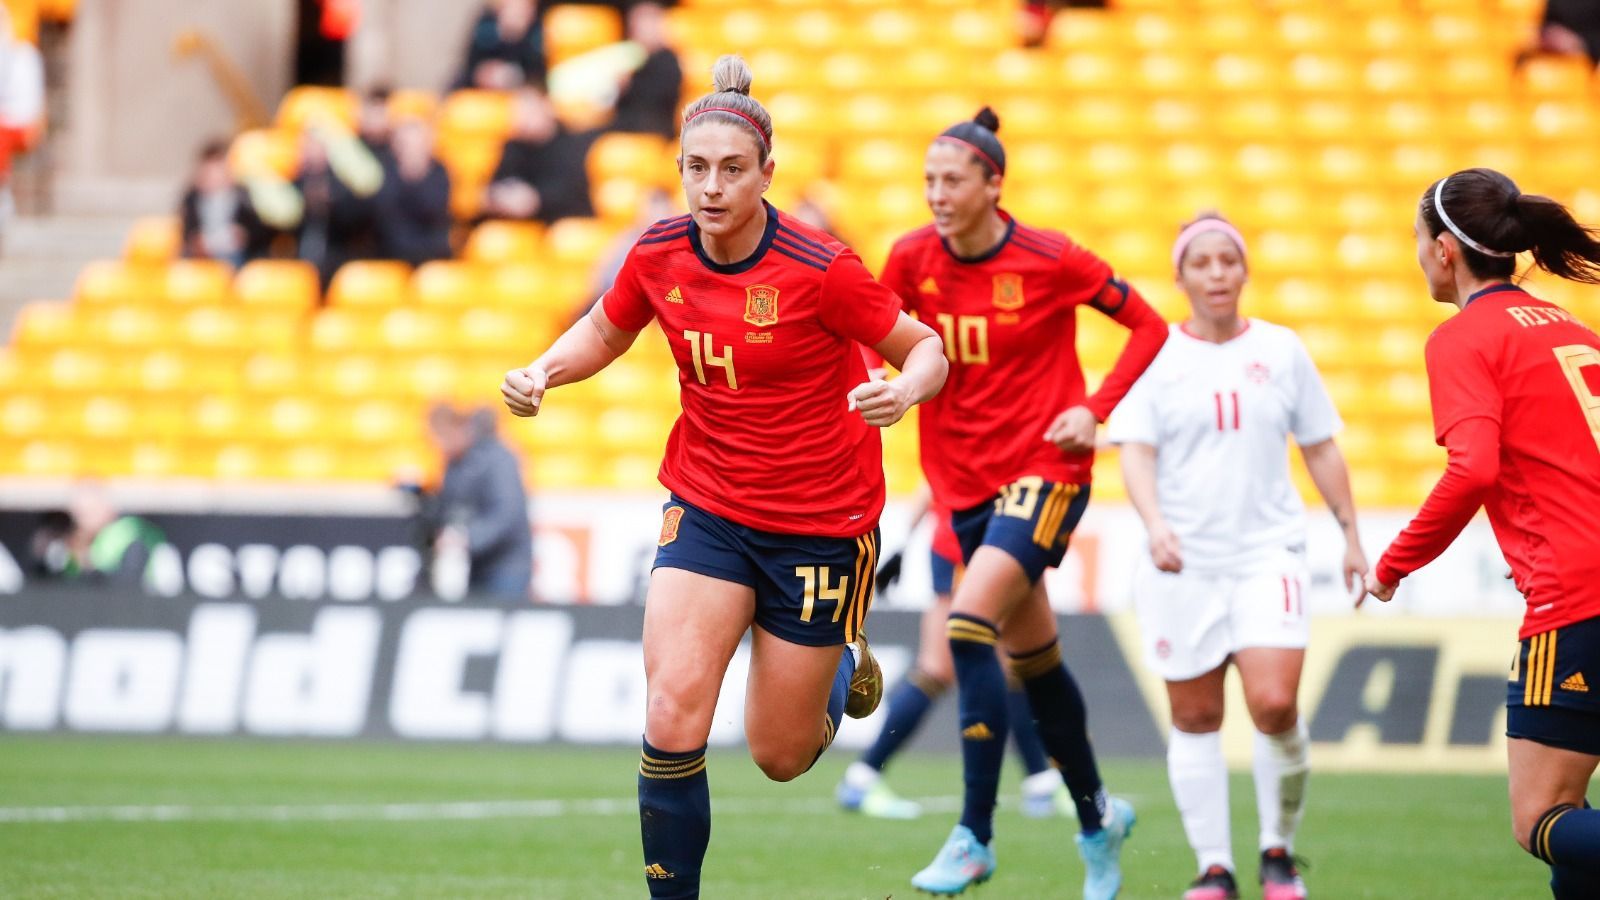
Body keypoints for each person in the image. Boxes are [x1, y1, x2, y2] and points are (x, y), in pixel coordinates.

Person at [500, 55, 948, 899]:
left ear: (766, 174)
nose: (711, 186)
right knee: (671, 709)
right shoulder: (659, 252)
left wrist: (902, 391)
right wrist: (542, 372)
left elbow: (926, 347)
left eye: (731, 169)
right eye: (696, 168)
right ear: (679, 171)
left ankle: (838, 658)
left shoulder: (822, 268)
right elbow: (603, 329)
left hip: (820, 523)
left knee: (779, 756)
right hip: (706, 508)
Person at [880, 107, 1168, 898]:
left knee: (968, 628)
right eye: (928, 180)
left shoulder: (1051, 257)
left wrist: (1097, 406)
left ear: (993, 185)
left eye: (952, 180)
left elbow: (1147, 327)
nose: (936, 194)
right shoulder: (909, 259)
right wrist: (888, 380)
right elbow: (873, 331)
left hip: (1046, 470)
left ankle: (974, 834)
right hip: (961, 488)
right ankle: (1097, 817)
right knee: (1036, 663)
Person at [1108, 213, 1368, 900]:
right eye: (1203, 263)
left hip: (1266, 554)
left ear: (1245, 271)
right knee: (1195, 718)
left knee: (1275, 704)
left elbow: (1319, 444)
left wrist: (1350, 533)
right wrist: (1156, 523)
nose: (1218, 274)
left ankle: (1277, 850)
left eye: (1229, 261)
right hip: (1181, 562)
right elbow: (1134, 449)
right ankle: (1214, 867)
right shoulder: (1155, 353)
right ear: (1181, 276)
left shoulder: (1282, 350)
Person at [1365, 168, 1600, 899]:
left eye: (1415, 240)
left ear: (1443, 252)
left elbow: (1471, 470)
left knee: (1542, 817)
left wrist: (1393, 564)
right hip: (1578, 571)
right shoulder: (1574, 329)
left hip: (1578, 599)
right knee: (1576, 839)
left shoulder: (1465, 338)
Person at [836, 492, 1073, 821]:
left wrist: (903, 544)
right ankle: (863, 777)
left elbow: (931, 481)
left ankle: (1041, 782)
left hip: (974, 536)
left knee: (1006, 666)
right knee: (940, 668)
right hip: (975, 538)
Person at [422, 403, 533, 602]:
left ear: (458, 429)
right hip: (476, 563)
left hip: (506, 566)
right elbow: (451, 508)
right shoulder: (456, 464)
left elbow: (507, 513)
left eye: (441, 437)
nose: (439, 446)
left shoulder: (498, 459)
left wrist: (467, 539)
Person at [483, 86, 597, 225]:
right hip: (521, 224)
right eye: (518, 113)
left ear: (546, 107)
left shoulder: (574, 143)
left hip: (564, 221)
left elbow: (572, 190)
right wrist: (500, 198)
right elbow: (497, 183)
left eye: (530, 111)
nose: (524, 119)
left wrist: (536, 200)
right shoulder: (513, 147)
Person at [180, 139, 271, 268]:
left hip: (237, 257)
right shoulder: (191, 198)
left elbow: (260, 229)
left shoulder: (242, 196)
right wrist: (198, 242)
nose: (215, 174)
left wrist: (244, 235)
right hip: (202, 258)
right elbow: (188, 233)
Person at [375, 118, 453, 267]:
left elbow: (433, 208)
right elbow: (382, 210)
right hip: (390, 256)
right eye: (406, 144)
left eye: (417, 144)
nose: (411, 150)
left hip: (432, 257)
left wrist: (415, 175)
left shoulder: (440, 171)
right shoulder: (385, 170)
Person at [607, 1, 683, 140]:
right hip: (622, 126)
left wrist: (630, 83)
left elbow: (662, 96)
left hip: (654, 129)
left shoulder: (669, 59)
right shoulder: (628, 58)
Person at [456, 0, 545, 91]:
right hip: (482, 94)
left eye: (523, 9)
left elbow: (539, 76)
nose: (516, 14)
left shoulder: (537, 39)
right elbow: (468, 69)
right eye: (511, 7)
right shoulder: (485, 32)